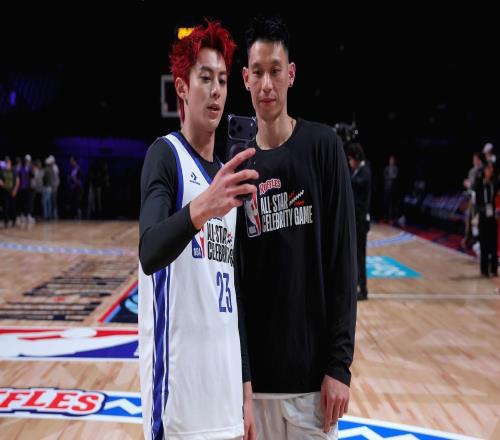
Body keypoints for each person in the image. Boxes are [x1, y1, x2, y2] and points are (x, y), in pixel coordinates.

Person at [237, 15, 357, 439]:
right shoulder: (236, 165)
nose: (266, 84)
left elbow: (343, 260)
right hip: (255, 390)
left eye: (275, 71)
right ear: (245, 79)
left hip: (313, 387)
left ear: (291, 74)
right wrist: (241, 379)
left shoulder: (323, 147)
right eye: (257, 73)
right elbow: (233, 281)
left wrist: (339, 365)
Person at [138, 20, 257, 440]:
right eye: (205, 78)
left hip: (226, 398)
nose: (217, 90)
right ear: (182, 88)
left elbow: (234, 292)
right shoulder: (165, 155)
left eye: (222, 80)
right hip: (180, 403)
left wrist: (246, 390)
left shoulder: (227, 176)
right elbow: (150, 251)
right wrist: (206, 204)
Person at [347, 143, 372, 300]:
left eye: (350, 159)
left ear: (356, 157)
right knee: (356, 256)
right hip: (356, 221)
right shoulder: (357, 172)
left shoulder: (364, 172)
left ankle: (363, 289)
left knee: (360, 256)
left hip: (360, 222)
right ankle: (357, 285)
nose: (349, 162)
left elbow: (353, 184)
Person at [474, 161, 499, 277]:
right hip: (483, 217)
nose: (490, 171)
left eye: (491, 169)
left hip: (493, 217)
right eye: (488, 169)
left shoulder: (495, 183)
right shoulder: (479, 184)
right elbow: (476, 203)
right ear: (484, 170)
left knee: (493, 244)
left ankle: (494, 269)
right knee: (484, 244)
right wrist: (481, 211)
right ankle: (484, 270)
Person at [0, 156, 20, 228]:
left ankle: (14, 220)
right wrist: (1, 182)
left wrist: (15, 190)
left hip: (12, 190)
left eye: (8, 162)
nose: (7, 163)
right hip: (5, 191)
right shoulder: (2, 171)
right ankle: (6, 221)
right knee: (5, 206)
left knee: (13, 206)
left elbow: (17, 180)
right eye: (6, 162)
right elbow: (0, 179)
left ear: (10, 162)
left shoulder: (13, 170)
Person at [383, 154, 398, 223]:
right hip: (386, 188)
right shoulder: (386, 168)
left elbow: (394, 177)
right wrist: (390, 176)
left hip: (392, 189)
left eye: (392, 160)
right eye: (390, 160)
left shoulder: (395, 168)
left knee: (391, 204)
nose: (391, 161)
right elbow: (385, 176)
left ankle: (390, 218)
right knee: (385, 203)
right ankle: (385, 217)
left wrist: (389, 176)